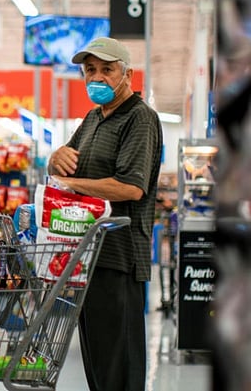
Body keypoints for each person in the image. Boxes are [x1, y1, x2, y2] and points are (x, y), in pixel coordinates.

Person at [47, 37, 163, 391]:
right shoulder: (94, 118)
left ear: (126, 74)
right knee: (98, 358)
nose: (97, 78)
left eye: (107, 70)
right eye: (90, 71)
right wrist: (55, 158)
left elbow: (131, 188)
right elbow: (66, 160)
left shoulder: (140, 118)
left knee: (119, 363)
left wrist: (75, 183)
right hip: (89, 254)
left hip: (119, 254)